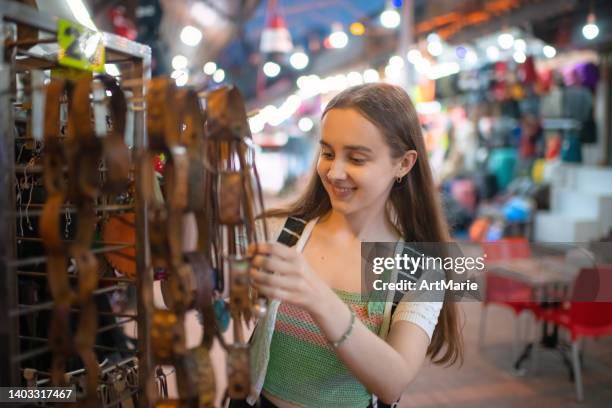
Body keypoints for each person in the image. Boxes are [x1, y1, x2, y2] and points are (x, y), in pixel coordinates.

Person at [232, 83, 463, 408]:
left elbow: (393, 381)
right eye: (327, 153)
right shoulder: (279, 232)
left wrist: (317, 296)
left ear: (404, 163)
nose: (334, 171)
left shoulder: (420, 266)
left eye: (356, 158)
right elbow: (194, 298)